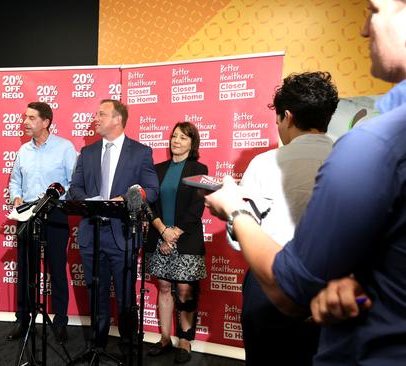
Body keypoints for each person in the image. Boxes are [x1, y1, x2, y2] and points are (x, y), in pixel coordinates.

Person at [203, 1, 406, 363]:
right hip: (339, 298)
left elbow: (258, 258)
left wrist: (233, 210)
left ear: (287, 117)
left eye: (374, 10)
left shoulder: (363, 150)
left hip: (276, 291)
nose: (364, 28)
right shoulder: (353, 147)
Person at [236, 71, 338, 365]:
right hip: (334, 288)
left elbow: (239, 236)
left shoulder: (264, 163)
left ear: (288, 117)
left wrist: (230, 208)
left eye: (278, 118)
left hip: (271, 283)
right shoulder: (349, 157)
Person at [69, 99, 159, 351]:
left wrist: (124, 199)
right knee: (95, 294)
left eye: (101, 114)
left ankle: (129, 345)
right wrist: (90, 202)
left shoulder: (141, 152)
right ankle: (96, 346)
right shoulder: (87, 153)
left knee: (125, 296)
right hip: (91, 234)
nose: (95, 118)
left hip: (123, 234)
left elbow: (151, 190)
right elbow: (75, 187)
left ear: (117, 119)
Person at [5, 102, 77, 343]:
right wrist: (16, 197)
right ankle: (22, 320)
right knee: (26, 269)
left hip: (55, 214)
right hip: (27, 215)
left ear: (45, 122)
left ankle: (60, 322)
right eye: (25, 117)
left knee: (57, 268)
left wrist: (53, 200)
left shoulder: (65, 147)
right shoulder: (24, 150)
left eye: (31, 118)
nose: (25, 122)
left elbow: (72, 184)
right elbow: (15, 180)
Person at [144, 122, 207, 364]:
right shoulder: (157, 169)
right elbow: (149, 203)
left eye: (183, 137)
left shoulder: (199, 168)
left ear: (192, 143)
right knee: (163, 287)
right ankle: (164, 338)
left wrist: (174, 233)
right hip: (158, 237)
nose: (176, 141)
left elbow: (197, 206)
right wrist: (162, 231)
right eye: (174, 136)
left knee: (185, 289)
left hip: (187, 237)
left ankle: (185, 340)